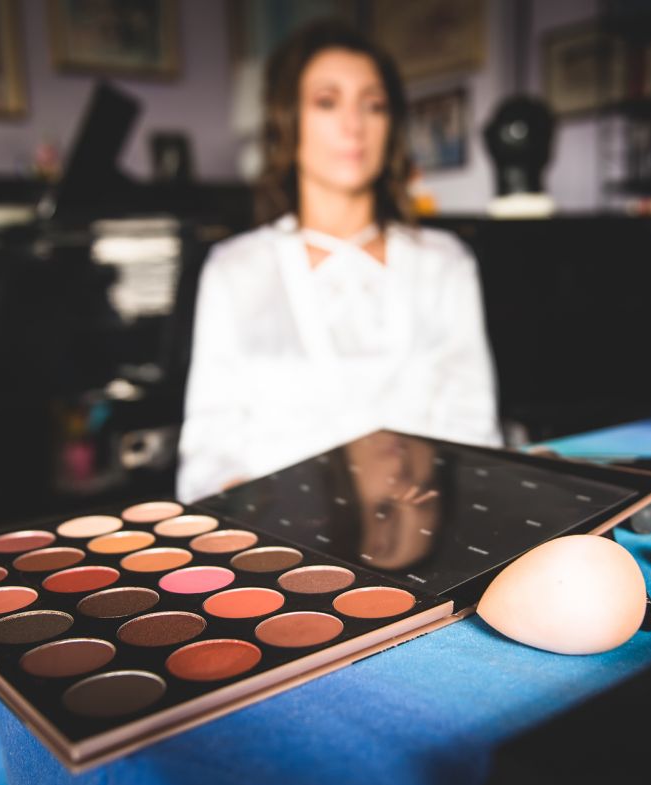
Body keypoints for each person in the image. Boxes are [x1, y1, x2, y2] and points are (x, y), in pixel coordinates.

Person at [176, 20, 501, 503]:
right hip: (275, 531)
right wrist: (247, 511)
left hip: (424, 529)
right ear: (288, 120)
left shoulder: (444, 263)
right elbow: (209, 451)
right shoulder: (235, 269)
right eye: (327, 102)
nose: (354, 125)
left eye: (373, 105)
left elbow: (475, 434)